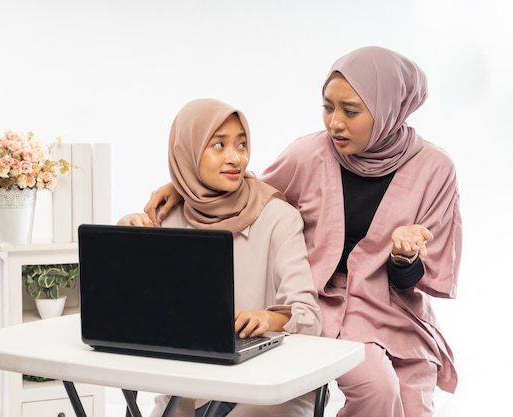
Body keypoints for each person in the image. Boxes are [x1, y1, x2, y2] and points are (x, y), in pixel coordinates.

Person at [131, 46, 462, 417]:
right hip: (320, 303)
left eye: (350, 110)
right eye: (327, 107)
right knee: (377, 388)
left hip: (396, 309)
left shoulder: (436, 169)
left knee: (415, 405)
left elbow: (417, 279)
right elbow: (246, 190)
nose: (334, 122)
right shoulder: (309, 153)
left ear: (390, 108)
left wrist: (404, 258)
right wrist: (181, 185)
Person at [118, 98, 323, 417]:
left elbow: (308, 315)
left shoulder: (278, 217)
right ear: (187, 152)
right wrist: (129, 235)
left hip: (265, 387)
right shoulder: (168, 218)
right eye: (219, 145)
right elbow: (133, 303)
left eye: (241, 145)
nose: (235, 158)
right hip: (189, 385)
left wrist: (267, 318)